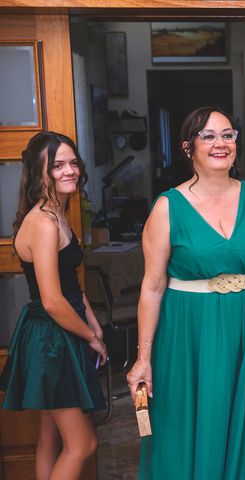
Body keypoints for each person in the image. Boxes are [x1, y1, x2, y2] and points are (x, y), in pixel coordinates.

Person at [126, 106, 245, 479]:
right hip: (189, 329)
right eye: (208, 136)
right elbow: (152, 287)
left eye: (228, 134)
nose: (220, 143)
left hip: (244, 324)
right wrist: (144, 357)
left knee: (244, 422)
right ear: (188, 148)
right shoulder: (167, 207)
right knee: (189, 421)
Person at [0, 132, 108, 480]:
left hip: (59, 331)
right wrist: (91, 336)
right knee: (83, 445)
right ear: (39, 172)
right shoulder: (44, 223)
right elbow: (52, 300)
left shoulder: (58, 213)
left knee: (48, 440)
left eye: (73, 163)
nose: (70, 171)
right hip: (53, 338)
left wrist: (93, 321)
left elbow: (71, 284)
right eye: (58, 165)